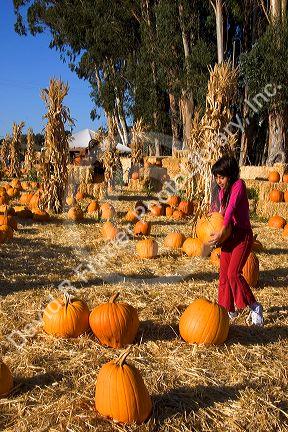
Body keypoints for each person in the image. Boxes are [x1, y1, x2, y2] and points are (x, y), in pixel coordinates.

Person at [208, 155, 264, 326]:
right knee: (224, 276)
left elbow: (230, 210)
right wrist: (211, 218)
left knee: (234, 274)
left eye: (222, 177)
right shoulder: (221, 190)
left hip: (242, 236)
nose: (219, 181)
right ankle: (227, 311)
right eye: (216, 177)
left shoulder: (239, 185)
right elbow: (219, 211)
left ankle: (254, 306)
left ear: (231, 175)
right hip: (228, 237)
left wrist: (222, 230)